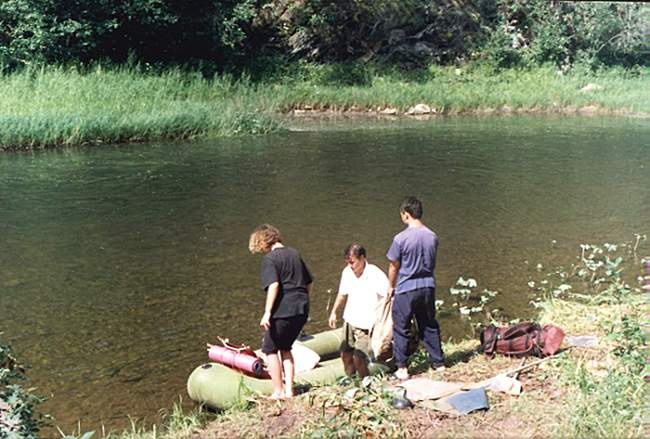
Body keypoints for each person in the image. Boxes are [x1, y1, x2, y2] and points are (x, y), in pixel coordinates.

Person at [249, 224, 313, 399]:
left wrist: (267, 312)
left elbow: (274, 285)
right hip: (301, 309)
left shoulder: (270, 259)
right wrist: (304, 302)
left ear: (263, 242)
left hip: (283, 311)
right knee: (285, 348)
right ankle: (289, 390)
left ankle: (278, 390)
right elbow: (308, 282)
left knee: (269, 349)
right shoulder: (294, 253)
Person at [386, 196, 445, 380]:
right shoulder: (432, 236)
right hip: (427, 285)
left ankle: (402, 367)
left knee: (401, 326)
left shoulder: (400, 238)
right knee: (428, 323)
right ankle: (438, 362)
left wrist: (390, 286)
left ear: (406, 214)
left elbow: (394, 265)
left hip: (406, 288)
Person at [328, 243, 388, 377]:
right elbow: (342, 294)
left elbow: (388, 297)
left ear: (362, 258)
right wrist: (333, 312)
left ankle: (365, 381)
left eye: (353, 262)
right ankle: (351, 378)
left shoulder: (375, 274)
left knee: (359, 358)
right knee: (345, 354)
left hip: (366, 324)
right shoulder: (347, 272)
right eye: (348, 262)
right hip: (350, 320)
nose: (350, 266)